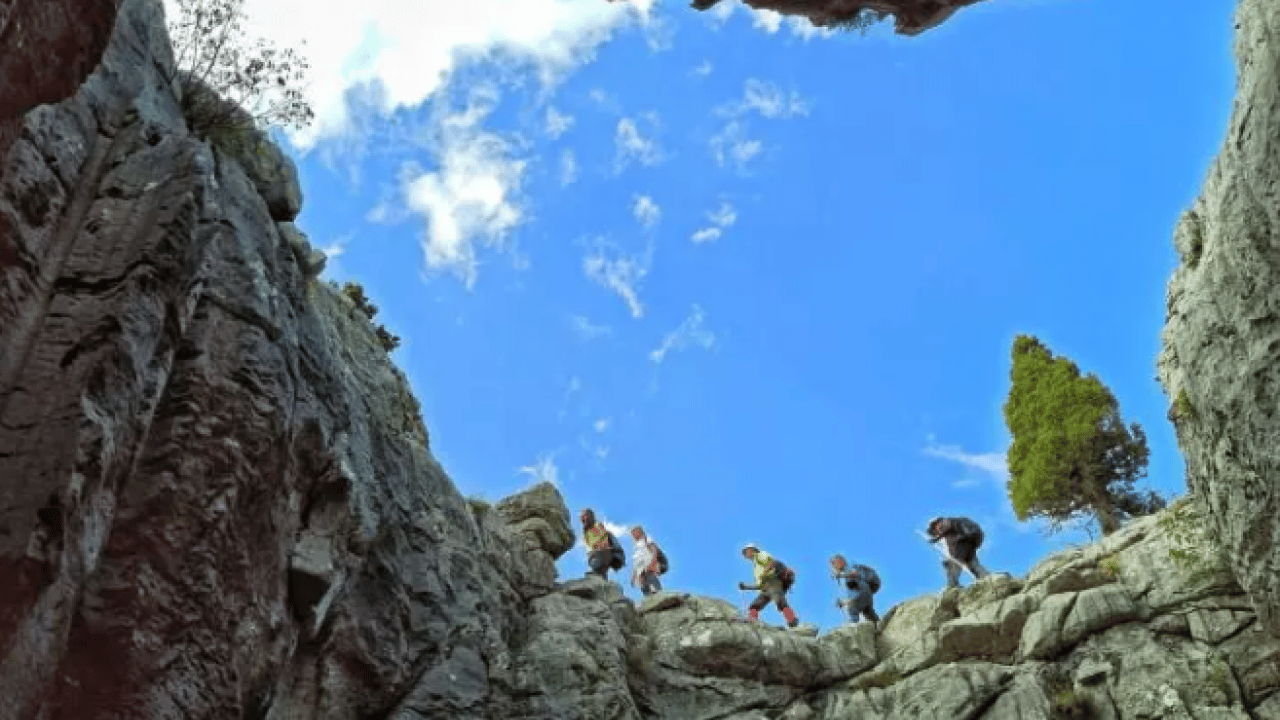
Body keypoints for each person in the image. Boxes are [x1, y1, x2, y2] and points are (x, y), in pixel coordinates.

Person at [737, 543, 801, 628]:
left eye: (745, 552)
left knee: (780, 602)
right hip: (765, 588)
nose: (745, 555)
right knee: (755, 605)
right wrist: (746, 587)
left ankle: (792, 620)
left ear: (751, 550)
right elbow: (760, 584)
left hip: (773, 583)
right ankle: (753, 620)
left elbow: (771, 563)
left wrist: (765, 574)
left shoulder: (760, 555)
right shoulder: (756, 564)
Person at [925, 516, 992, 588]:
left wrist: (937, 538)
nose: (936, 533)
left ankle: (952, 586)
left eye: (934, 532)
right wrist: (937, 538)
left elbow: (947, 527)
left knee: (953, 566)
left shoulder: (942, 523)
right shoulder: (952, 526)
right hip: (968, 544)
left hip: (960, 545)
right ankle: (988, 578)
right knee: (972, 564)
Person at [830, 554, 880, 624]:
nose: (834, 567)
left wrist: (840, 575)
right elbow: (851, 593)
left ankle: (852, 627)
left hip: (862, 592)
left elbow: (854, 574)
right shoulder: (844, 576)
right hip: (864, 595)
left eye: (834, 564)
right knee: (868, 613)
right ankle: (878, 625)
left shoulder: (849, 567)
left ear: (841, 561)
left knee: (851, 608)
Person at [581, 509, 623, 579]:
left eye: (585, 516)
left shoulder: (597, 527)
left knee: (596, 562)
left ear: (591, 517)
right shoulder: (587, 532)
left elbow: (606, 548)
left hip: (604, 557)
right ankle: (600, 574)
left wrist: (604, 567)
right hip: (597, 559)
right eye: (582, 516)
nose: (583, 518)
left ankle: (600, 573)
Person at [629, 525, 666, 596]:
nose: (633, 535)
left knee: (650, 576)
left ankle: (659, 594)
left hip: (649, 563)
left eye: (634, 532)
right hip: (640, 567)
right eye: (632, 534)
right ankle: (648, 597)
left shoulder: (646, 539)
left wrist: (653, 563)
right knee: (642, 582)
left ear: (639, 532)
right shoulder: (636, 546)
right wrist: (634, 575)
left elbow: (654, 550)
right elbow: (637, 561)